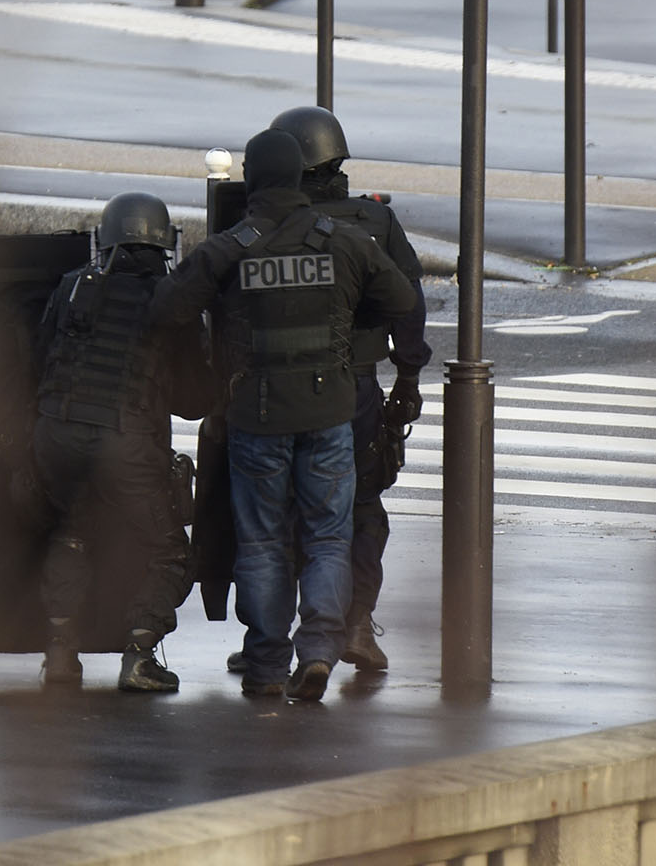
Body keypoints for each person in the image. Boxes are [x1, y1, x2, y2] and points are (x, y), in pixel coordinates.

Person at [150, 129, 416, 703]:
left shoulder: (231, 246)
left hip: (258, 417)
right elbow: (402, 299)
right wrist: (344, 308)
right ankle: (319, 651)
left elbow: (166, 308)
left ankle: (268, 665)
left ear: (253, 180)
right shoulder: (341, 240)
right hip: (329, 414)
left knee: (265, 542)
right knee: (328, 537)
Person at [270, 105, 432, 673]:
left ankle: (271, 643)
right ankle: (357, 625)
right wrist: (408, 375)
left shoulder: (269, 219)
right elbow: (409, 304)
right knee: (361, 509)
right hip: (357, 387)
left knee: (279, 512)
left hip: (277, 389)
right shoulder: (375, 222)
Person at [31, 192, 208, 693]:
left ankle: (61, 653)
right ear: (164, 244)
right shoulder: (171, 298)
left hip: (56, 436)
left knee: (71, 533)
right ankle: (139, 655)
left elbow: (40, 359)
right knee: (170, 552)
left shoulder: (70, 287)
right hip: (123, 445)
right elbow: (196, 400)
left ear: (104, 241)